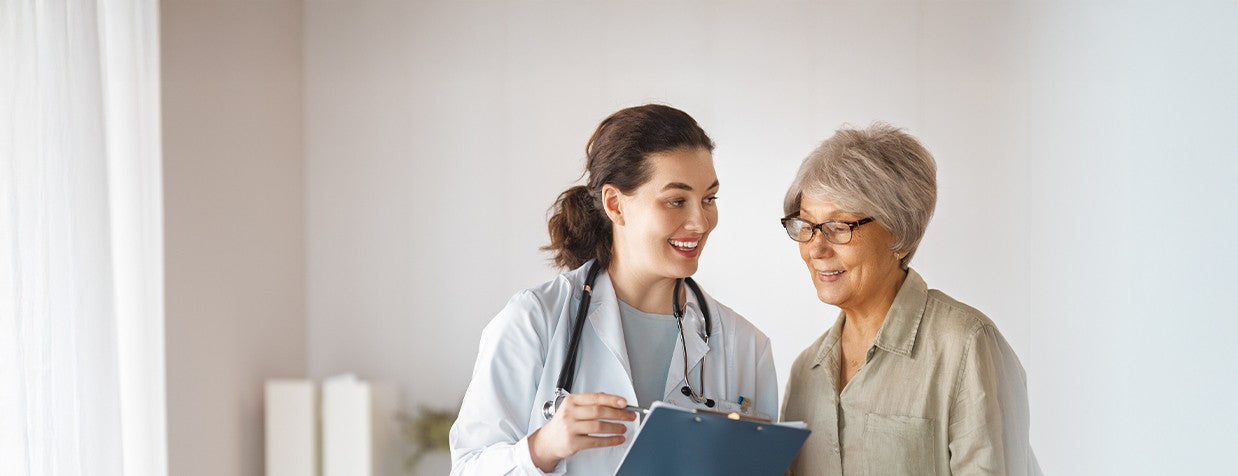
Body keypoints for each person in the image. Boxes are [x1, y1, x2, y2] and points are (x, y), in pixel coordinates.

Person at [450, 104, 778, 475]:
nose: (700, 222)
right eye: (677, 200)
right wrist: (543, 448)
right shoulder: (535, 320)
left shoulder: (744, 346)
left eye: (709, 199)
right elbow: (467, 468)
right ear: (615, 204)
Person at [779, 123, 1041, 475]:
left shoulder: (966, 346)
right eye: (806, 226)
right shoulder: (805, 373)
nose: (816, 249)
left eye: (839, 228)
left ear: (899, 234)